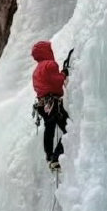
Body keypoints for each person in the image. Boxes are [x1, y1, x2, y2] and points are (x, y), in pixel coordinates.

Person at [31, 40, 73, 172]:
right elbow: (57, 82)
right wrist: (64, 73)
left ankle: (49, 155)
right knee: (69, 129)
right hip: (53, 103)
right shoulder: (50, 64)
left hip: (42, 105)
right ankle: (56, 158)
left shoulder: (36, 70)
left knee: (49, 128)